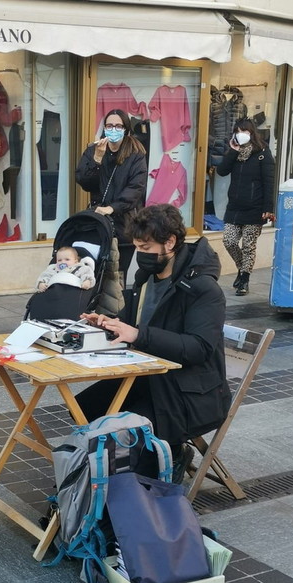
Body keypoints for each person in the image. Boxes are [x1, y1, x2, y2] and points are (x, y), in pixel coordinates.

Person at [75, 204, 231, 484]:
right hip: (150, 376)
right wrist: (108, 323)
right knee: (83, 407)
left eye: (146, 248)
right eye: (137, 247)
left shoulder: (203, 288)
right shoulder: (146, 278)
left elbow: (199, 348)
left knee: (127, 431)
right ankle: (107, 476)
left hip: (189, 391)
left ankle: (161, 463)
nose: (140, 255)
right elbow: (135, 323)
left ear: (170, 242)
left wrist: (138, 335)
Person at [76, 109, 147, 283]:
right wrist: (97, 159)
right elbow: (84, 182)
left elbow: (136, 188)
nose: (113, 129)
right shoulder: (93, 150)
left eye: (118, 126)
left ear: (126, 129)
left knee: (117, 275)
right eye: (109, 126)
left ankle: (117, 300)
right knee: (96, 271)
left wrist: (113, 207)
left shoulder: (136, 154)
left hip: (124, 224)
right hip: (98, 221)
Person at [216, 118, 275, 296]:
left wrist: (268, 208)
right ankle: (242, 270)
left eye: (245, 131)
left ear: (252, 133)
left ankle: (244, 280)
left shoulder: (263, 153)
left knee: (249, 246)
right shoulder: (234, 153)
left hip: (255, 207)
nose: (241, 134)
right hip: (234, 206)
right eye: (238, 131)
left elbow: (269, 182)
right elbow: (221, 171)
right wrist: (232, 152)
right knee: (229, 241)